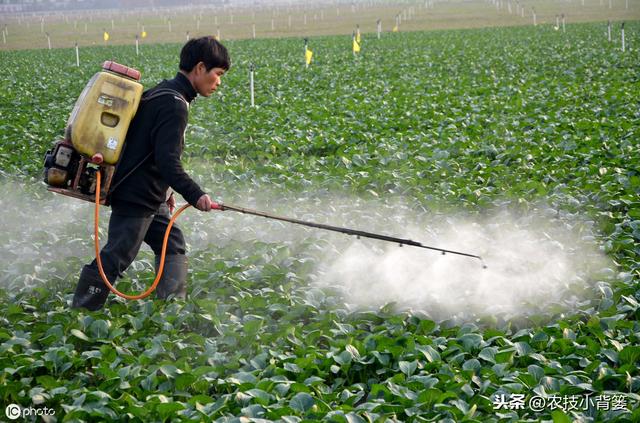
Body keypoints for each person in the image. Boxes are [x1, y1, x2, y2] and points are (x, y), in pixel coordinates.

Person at [71, 36, 230, 310]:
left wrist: (166, 192)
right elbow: (167, 161)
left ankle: (171, 311)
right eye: (217, 75)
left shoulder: (163, 91)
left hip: (149, 194)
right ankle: (80, 312)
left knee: (173, 243)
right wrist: (196, 195)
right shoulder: (175, 104)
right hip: (137, 195)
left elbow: (146, 148)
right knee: (118, 255)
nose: (218, 83)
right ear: (200, 68)